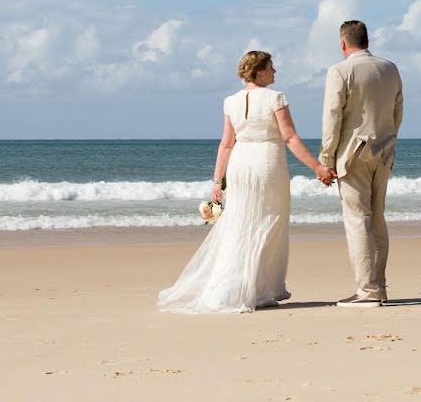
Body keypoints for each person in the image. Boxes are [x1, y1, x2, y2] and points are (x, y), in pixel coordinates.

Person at [157, 51, 335, 313]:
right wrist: (317, 166)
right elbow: (290, 138)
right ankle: (258, 290)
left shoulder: (231, 101)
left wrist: (218, 180)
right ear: (260, 71)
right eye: (271, 67)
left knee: (240, 224)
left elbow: (227, 144)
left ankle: (232, 290)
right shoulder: (275, 98)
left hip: (240, 165)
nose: (275, 72)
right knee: (269, 223)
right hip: (267, 163)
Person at [319, 20, 403, 307]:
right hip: (384, 150)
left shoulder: (340, 70)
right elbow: (397, 111)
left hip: (353, 153)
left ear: (343, 43)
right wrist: (389, 140)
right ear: (367, 40)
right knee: (377, 218)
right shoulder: (390, 68)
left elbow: (333, 116)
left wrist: (326, 158)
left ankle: (367, 290)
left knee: (358, 221)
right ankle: (379, 286)